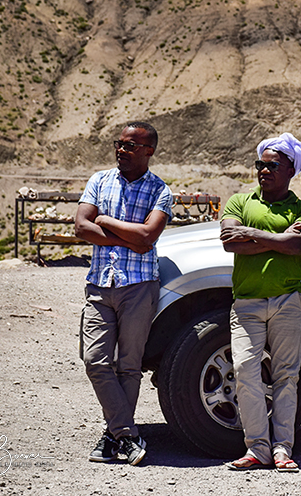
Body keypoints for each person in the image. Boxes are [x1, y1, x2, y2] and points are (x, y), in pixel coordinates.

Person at [221, 133, 301, 472]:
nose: (264, 171)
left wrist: (253, 235)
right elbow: (229, 242)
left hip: (286, 301)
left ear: (290, 172)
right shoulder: (239, 201)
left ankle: (283, 447)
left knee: (287, 376)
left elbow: (297, 246)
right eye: (260, 164)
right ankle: (257, 448)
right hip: (246, 304)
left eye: (272, 166)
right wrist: (278, 239)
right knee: (244, 372)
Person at [74, 121, 172, 466]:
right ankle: (127, 435)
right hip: (101, 283)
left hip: (139, 286)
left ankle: (111, 436)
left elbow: (148, 237)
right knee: (95, 361)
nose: (121, 150)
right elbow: (81, 226)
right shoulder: (99, 181)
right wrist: (128, 237)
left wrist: (107, 221)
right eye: (119, 144)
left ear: (149, 151)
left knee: (129, 367)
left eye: (130, 146)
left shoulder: (160, 191)